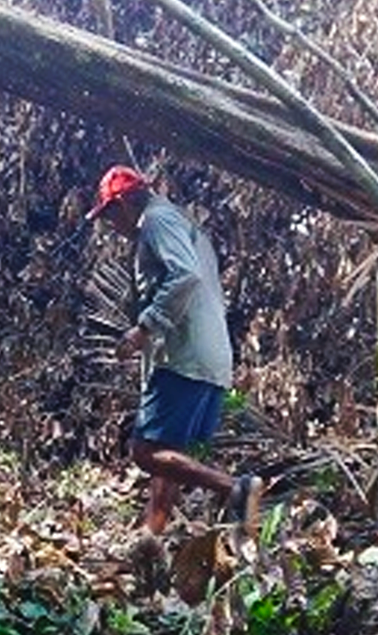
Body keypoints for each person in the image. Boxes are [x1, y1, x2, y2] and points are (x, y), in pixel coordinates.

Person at [86, 163, 262, 544]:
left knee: (145, 451)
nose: (110, 226)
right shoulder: (182, 224)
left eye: (109, 216)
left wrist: (144, 328)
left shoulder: (156, 222)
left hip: (183, 356)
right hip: (209, 356)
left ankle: (235, 488)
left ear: (124, 205)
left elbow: (185, 276)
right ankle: (149, 540)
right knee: (168, 453)